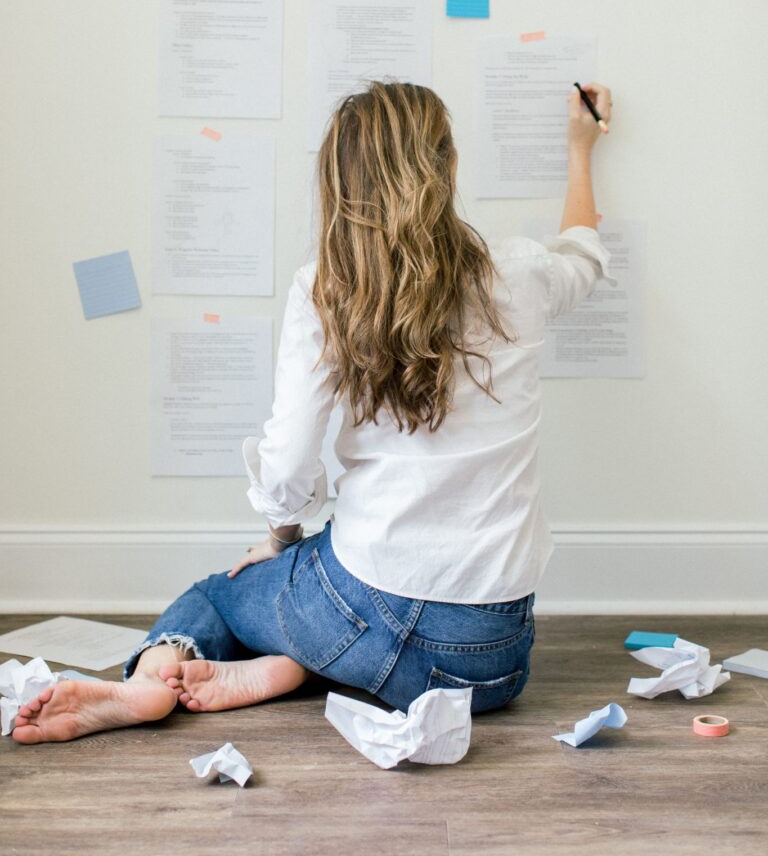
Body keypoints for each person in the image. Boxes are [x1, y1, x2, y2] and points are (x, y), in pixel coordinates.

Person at [13, 80, 613, 744]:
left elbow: (290, 465)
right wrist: (581, 149)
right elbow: (583, 253)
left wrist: (278, 542)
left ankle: (149, 684)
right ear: (447, 167)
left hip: (363, 607)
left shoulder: (325, 288)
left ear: (341, 182)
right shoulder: (520, 272)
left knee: (221, 594)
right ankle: (297, 666)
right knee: (330, 598)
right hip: (490, 668)